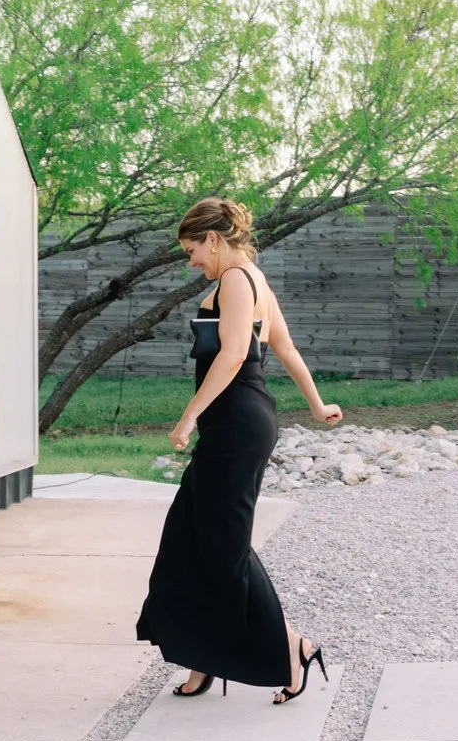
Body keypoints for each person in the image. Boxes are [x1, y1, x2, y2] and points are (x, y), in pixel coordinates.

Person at [134, 197, 344, 702]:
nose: (191, 263)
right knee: (191, 538)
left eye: (191, 251)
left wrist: (188, 416)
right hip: (242, 422)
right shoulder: (256, 280)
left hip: (234, 426)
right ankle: (204, 657)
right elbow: (285, 347)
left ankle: (292, 648)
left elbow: (232, 355)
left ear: (212, 240)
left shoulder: (233, 279)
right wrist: (317, 405)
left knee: (223, 546)